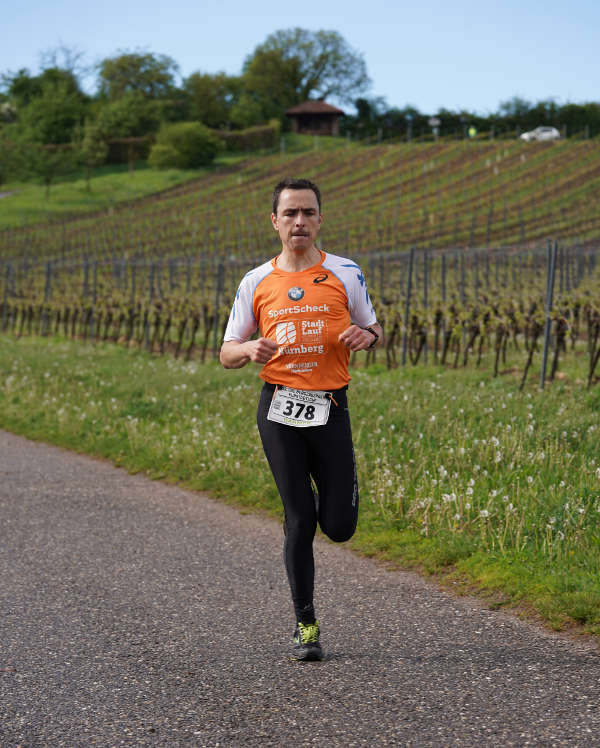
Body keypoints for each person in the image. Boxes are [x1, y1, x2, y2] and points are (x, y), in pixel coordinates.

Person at [220, 178, 382, 661]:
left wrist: (365, 337)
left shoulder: (345, 273)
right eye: (290, 214)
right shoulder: (255, 282)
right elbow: (226, 351)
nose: (299, 222)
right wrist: (248, 348)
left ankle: (334, 493)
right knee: (299, 518)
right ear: (274, 221)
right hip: (279, 409)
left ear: (319, 219)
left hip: (331, 407)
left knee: (338, 527)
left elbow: (373, 327)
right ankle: (305, 625)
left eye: (308, 213)